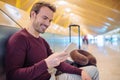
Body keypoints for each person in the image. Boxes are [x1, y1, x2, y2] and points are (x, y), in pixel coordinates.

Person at [5, 2, 99, 80]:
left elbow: (59, 64)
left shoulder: (42, 41)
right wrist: (46, 63)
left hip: (51, 77)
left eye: (50, 20)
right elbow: (12, 75)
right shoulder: (19, 39)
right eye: (44, 18)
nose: (47, 24)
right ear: (33, 14)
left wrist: (80, 71)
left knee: (92, 70)